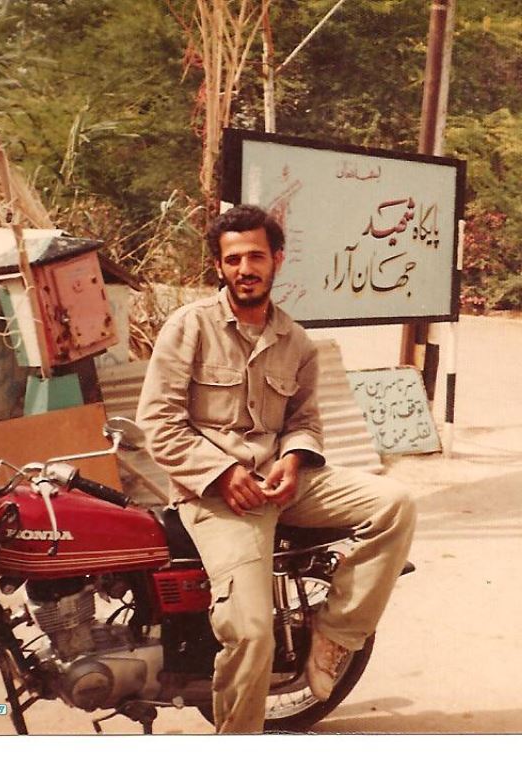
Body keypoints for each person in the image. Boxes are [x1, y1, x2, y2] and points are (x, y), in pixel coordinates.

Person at [136, 204, 416, 733]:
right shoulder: (189, 327)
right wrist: (222, 473)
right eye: (233, 259)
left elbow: (305, 421)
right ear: (219, 266)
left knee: (396, 504)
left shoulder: (297, 341)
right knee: (250, 633)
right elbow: (158, 421)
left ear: (277, 260)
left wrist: (293, 458)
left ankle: (337, 635)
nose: (245, 269)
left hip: (285, 483)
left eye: (256, 257)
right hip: (217, 497)